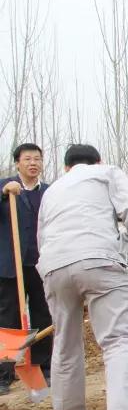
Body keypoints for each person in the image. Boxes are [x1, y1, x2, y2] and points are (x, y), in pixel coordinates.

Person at [37, 144, 128, 410]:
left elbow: (41, 235)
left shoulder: (51, 191)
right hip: (99, 259)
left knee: (65, 341)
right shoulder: (106, 173)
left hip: (54, 266)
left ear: (66, 168)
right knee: (118, 339)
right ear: (97, 161)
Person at [0, 143, 52, 396]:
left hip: (40, 263)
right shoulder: (6, 187)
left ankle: (43, 366)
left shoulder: (50, 192)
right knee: (8, 319)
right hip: (11, 265)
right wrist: (3, 193)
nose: (33, 163)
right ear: (17, 163)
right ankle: (4, 373)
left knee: (44, 314)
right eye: (27, 159)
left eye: (37, 159)